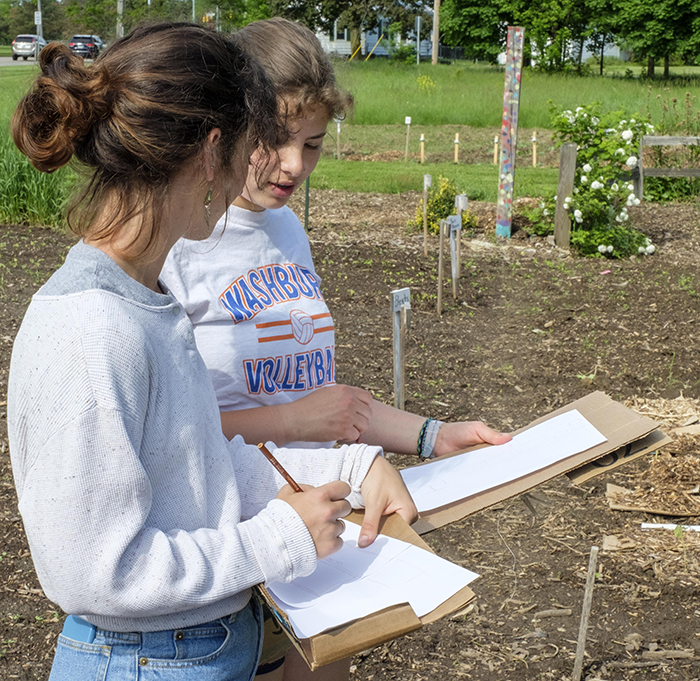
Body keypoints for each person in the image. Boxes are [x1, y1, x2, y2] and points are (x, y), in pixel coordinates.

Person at [7, 23, 416, 681]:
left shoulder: (148, 297)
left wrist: (350, 463)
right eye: (255, 145)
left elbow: (202, 467)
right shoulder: (90, 326)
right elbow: (94, 572)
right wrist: (277, 539)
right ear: (213, 150)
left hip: (183, 651)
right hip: (143, 660)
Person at [161, 17, 511, 681]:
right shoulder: (181, 240)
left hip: (319, 535)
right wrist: (300, 427)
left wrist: (435, 434)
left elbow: (324, 401)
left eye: (313, 144)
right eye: (274, 140)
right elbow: (171, 432)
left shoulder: (288, 231)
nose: (294, 164)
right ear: (229, 127)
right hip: (233, 546)